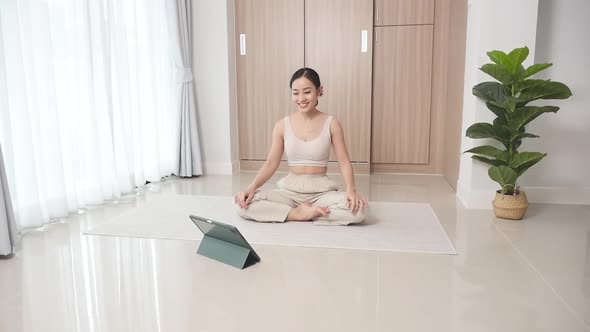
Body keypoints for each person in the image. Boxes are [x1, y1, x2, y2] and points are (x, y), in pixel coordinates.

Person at [234, 68, 368, 226]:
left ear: (319, 91)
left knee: (360, 210)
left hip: (322, 193)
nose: (301, 98)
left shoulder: (332, 123)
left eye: (307, 92)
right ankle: (297, 214)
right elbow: (271, 163)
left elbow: (344, 161)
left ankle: (302, 212)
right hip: (288, 193)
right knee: (241, 205)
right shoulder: (282, 125)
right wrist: (251, 187)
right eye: (295, 93)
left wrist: (351, 190)